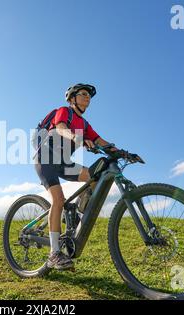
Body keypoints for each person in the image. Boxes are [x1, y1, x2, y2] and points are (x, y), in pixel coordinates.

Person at [34, 83, 121, 270]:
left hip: (64, 163)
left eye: (89, 96)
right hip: (46, 159)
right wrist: (76, 138)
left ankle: (75, 214)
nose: (87, 97)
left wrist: (120, 152)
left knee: (95, 177)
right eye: (83, 94)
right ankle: (54, 254)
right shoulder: (64, 111)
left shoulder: (84, 124)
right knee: (58, 199)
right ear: (73, 98)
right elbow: (60, 128)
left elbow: (100, 141)